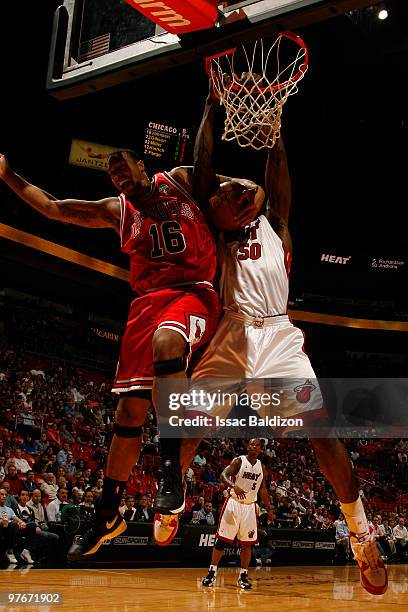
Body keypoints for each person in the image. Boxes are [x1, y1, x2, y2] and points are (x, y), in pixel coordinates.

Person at [184, 79, 388, 596]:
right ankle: (171, 498)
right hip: (232, 328)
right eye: (234, 195)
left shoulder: (278, 225)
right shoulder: (222, 228)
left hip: (277, 333)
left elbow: (279, 179)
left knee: (322, 431)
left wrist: (275, 132)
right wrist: (210, 107)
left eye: (245, 192)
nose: (239, 196)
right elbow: (203, 169)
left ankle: (362, 534)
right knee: (187, 423)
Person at [0, 148, 240, 554]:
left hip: (193, 294)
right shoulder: (119, 210)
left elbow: (218, 174)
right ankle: (107, 513)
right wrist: (7, 174)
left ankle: (169, 472)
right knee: (128, 413)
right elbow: (54, 207)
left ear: (141, 166)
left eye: (121, 166)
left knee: (170, 344)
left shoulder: (179, 180)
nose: (116, 175)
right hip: (145, 304)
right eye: (110, 173)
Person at [202, 439, 273, 590]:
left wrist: (270, 509)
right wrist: (234, 486)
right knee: (221, 541)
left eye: (257, 445)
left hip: (249, 507)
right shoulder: (239, 461)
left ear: (261, 449)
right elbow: (223, 475)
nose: (253, 447)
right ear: (248, 447)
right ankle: (211, 573)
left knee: (247, 545)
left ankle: (243, 576)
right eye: (251, 444)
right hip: (233, 504)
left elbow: (263, 490)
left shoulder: (262, 467)